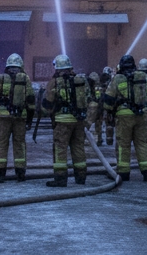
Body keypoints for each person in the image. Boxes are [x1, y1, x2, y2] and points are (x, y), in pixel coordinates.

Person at [105, 54, 147, 182]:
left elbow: (108, 99)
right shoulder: (141, 76)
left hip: (124, 115)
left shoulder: (118, 78)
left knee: (124, 145)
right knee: (142, 144)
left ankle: (124, 173)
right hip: (141, 114)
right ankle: (146, 172)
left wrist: (108, 111)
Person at [41, 54, 88, 187]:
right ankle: (81, 177)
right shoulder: (80, 81)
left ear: (57, 68)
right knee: (78, 147)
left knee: (60, 148)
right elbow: (89, 99)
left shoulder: (54, 82)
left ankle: (60, 179)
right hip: (79, 120)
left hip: (62, 121)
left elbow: (47, 106)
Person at [0, 53, 34, 182]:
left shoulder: (1, 78)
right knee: (19, 144)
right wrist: (29, 120)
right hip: (20, 117)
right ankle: (20, 174)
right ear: (21, 65)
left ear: (7, 65)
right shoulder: (25, 79)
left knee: (1, 144)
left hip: (3, 117)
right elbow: (31, 100)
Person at [86, 72, 106, 146]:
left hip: (92, 108)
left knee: (88, 123)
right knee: (98, 125)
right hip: (100, 107)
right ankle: (99, 139)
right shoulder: (100, 87)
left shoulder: (89, 87)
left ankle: (83, 137)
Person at [99, 67, 115, 146]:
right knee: (109, 123)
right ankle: (109, 140)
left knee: (99, 122)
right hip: (109, 105)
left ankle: (98, 139)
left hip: (101, 105)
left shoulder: (101, 81)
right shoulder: (111, 81)